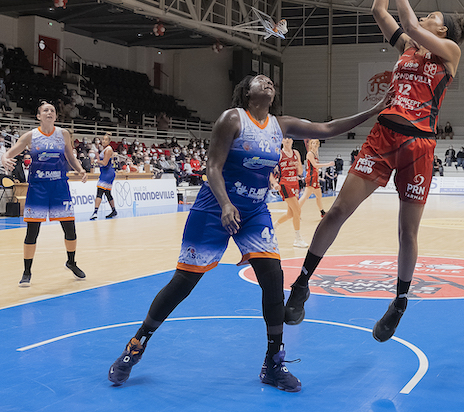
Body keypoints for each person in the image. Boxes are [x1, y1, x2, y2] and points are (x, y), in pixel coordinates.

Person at [106, 74, 392, 391]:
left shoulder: (279, 125)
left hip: (255, 210)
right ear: (246, 93)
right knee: (183, 283)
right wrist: (227, 205)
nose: (268, 83)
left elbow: (328, 128)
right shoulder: (233, 119)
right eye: (260, 80)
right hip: (215, 206)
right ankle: (137, 344)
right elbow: (212, 167)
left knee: (272, 279)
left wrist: (375, 109)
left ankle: (273, 363)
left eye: (271, 81)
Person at [283, 0, 464, 343]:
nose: (425, 18)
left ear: (446, 30)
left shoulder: (450, 54)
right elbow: (378, 9)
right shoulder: (406, 46)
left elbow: (407, 22)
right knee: (336, 211)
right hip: (383, 135)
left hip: (420, 145)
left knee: (407, 231)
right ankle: (301, 283)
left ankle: (399, 302)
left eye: (433, 16)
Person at [1, 101, 89, 287]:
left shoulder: (63, 134)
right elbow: (10, 153)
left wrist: (80, 169)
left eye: (52, 110)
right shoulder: (30, 136)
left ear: (55, 116)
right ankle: (26, 271)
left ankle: (71, 262)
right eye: (45, 110)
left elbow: (70, 157)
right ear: (38, 115)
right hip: (38, 188)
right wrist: (4, 158)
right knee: (33, 232)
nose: (49, 112)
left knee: (70, 228)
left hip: (59, 187)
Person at [275, 138, 307, 248]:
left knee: (291, 214)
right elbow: (271, 170)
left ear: (292, 140)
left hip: (295, 183)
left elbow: (300, 171)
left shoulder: (296, 153)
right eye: (285, 138)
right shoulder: (279, 154)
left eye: (289, 138)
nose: (287, 140)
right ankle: (297, 239)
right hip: (284, 183)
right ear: (282, 141)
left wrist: (298, 164)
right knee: (297, 210)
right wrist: (274, 183)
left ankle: (273, 227)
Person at [298, 139, 334, 218]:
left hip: (315, 177)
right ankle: (295, 212)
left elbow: (316, 168)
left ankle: (322, 212)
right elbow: (315, 165)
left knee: (319, 196)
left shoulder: (316, 154)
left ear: (318, 145)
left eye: (316, 143)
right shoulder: (310, 154)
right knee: (305, 196)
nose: (314, 144)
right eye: (313, 143)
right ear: (310, 145)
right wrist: (327, 164)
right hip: (310, 177)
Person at [90, 133, 118, 220]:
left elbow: (105, 163)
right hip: (106, 172)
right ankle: (114, 210)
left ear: (109, 141)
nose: (103, 141)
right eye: (103, 139)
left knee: (100, 191)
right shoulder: (105, 149)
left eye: (106, 139)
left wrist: (95, 161)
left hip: (107, 173)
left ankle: (95, 212)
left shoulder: (108, 149)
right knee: (107, 192)